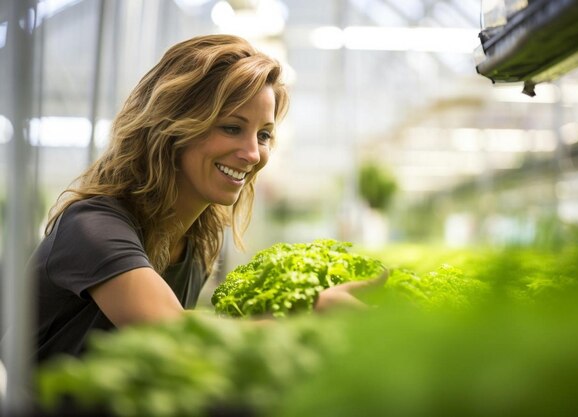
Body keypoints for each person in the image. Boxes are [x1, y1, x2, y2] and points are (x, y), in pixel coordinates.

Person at [30, 34, 383, 363]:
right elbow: (177, 337)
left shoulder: (196, 243)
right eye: (231, 127)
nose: (252, 154)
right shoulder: (93, 228)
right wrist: (309, 314)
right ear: (172, 126)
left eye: (263, 135)